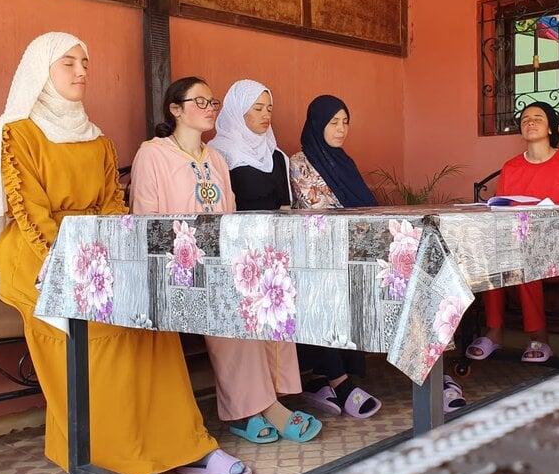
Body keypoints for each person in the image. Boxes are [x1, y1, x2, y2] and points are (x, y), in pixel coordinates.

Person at [0, 33, 248, 474]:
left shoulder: (96, 136)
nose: (82, 71)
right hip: (39, 258)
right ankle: (116, 461)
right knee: (100, 328)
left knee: (150, 318)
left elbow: (111, 206)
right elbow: (30, 212)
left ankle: (183, 445)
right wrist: (74, 268)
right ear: (42, 71)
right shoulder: (16, 131)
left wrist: (118, 260)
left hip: (96, 253)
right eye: (69, 63)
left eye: (86, 62)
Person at [131, 76, 321, 445]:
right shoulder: (152, 154)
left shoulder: (214, 157)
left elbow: (230, 217)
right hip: (179, 268)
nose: (209, 109)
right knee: (232, 305)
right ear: (175, 108)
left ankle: (269, 400)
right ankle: (249, 409)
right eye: (199, 102)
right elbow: (145, 222)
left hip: (221, 262)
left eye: (212, 102)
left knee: (268, 292)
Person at [466, 101, 559, 364]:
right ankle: (494, 331)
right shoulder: (511, 167)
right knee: (496, 254)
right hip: (514, 242)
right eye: (524, 119)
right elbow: (499, 212)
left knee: (523, 254)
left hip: (557, 245)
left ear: (551, 126)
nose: (529, 122)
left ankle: (539, 335)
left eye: (537, 117)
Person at [289, 94, 385, 418]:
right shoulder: (299, 162)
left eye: (345, 122)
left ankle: (326, 378)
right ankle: (338, 381)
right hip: (315, 255)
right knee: (323, 294)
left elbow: (365, 208)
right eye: (334, 122)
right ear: (317, 123)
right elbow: (316, 210)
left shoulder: (344, 161)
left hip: (348, 251)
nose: (341, 128)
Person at [209, 79, 292, 212]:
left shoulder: (275, 156)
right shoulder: (217, 153)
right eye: (258, 108)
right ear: (237, 111)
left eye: (269, 109)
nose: (266, 115)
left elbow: (285, 207)